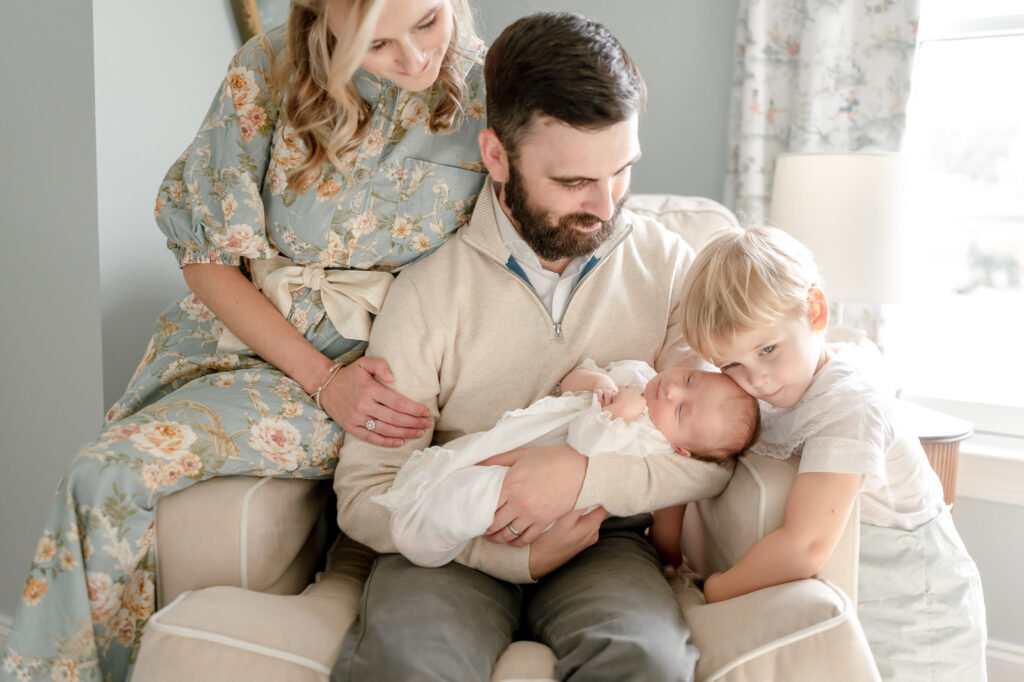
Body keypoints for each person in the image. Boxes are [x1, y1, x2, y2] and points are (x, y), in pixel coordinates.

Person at [0, 1, 488, 680]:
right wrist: (323, 380)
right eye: (376, 45)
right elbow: (206, 257)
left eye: (429, 20)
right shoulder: (267, 70)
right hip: (260, 354)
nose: (415, 58)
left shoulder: (494, 92)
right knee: (100, 477)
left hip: (395, 368)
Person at [331, 12, 735, 681]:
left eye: (622, 172)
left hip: (607, 539)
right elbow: (366, 492)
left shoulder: (670, 269)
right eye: (574, 183)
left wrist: (581, 477)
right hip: (453, 544)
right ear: (497, 156)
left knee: (648, 661)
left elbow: (715, 452)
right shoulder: (431, 292)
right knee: (408, 665)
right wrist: (504, 554)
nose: (606, 209)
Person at [678, 224, 987, 681]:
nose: (757, 379)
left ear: (816, 311)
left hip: (917, 606)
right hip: (861, 592)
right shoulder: (776, 387)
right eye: (733, 364)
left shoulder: (849, 404)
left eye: (767, 349)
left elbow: (807, 544)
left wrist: (716, 588)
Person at [374, 359, 759, 568]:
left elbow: (585, 444)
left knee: (477, 496)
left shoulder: (649, 441)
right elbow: (573, 377)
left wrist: (620, 414)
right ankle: (425, 513)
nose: (672, 389)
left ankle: (425, 537)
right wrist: (597, 383)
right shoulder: (640, 375)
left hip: (543, 501)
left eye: (681, 410)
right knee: (463, 465)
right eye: (690, 379)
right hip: (527, 441)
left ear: (682, 448)